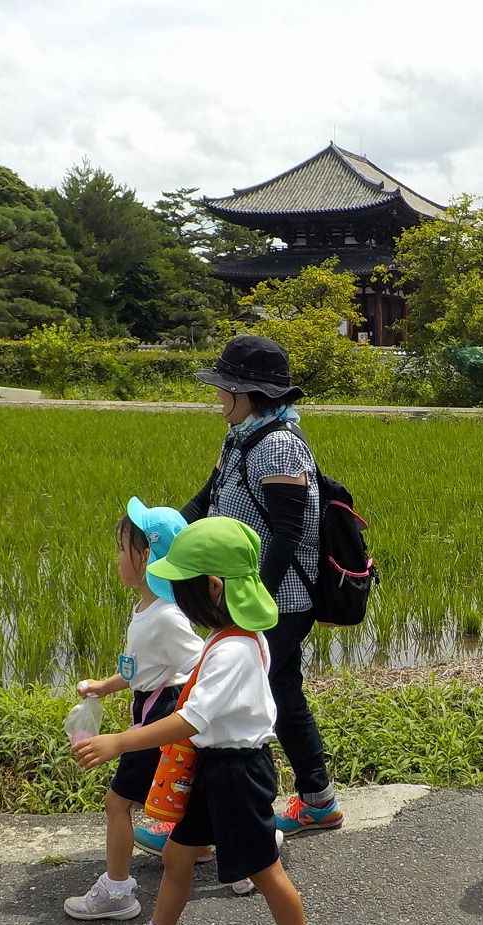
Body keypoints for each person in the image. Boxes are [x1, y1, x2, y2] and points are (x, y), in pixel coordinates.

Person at [74, 517, 326, 925]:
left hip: (237, 775)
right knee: (177, 857)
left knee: (266, 871)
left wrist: (119, 742)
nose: (178, 603)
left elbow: (190, 719)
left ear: (212, 588)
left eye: (183, 589)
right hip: (217, 768)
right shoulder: (229, 637)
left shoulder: (233, 649)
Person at [177, 335, 343, 839]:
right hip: (244, 595)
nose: (218, 397)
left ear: (250, 393)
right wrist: (164, 538)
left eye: (225, 388)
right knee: (271, 691)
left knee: (273, 695)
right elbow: (208, 497)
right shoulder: (242, 436)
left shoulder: (279, 444)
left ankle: (303, 801)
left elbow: (291, 532)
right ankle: (308, 799)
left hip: (279, 601)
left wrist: (256, 601)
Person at [64, 500, 205, 921]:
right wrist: (103, 687)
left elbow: (203, 662)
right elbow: (140, 669)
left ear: (146, 558)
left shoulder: (166, 617)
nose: (116, 556)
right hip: (151, 705)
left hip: (162, 714)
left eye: (122, 547)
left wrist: (186, 709)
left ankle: (118, 890)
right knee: (190, 789)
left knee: (117, 801)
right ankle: (207, 844)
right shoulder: (146, 609)